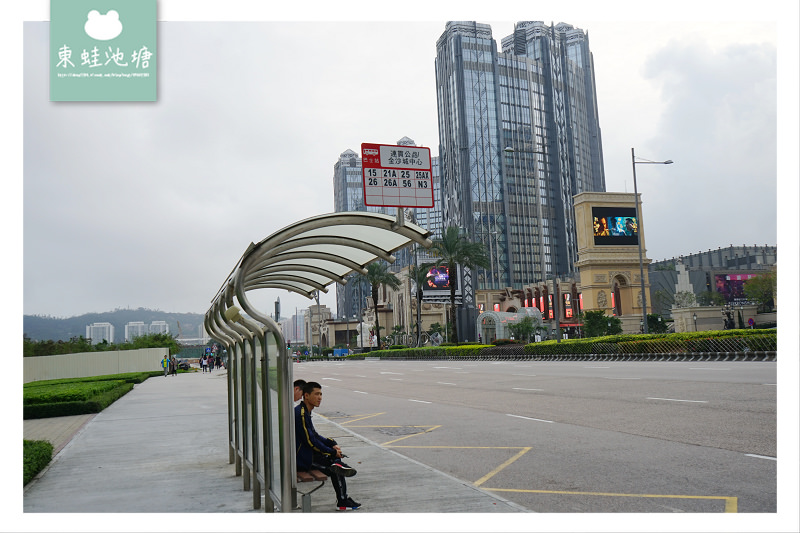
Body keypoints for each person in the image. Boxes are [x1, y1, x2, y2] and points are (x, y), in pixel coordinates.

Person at [295, 381, 360, 511]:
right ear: (306, 396)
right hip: (301, 460)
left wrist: (332, 443)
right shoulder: (301, 413)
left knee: (336, 463)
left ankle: (343, 500)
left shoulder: (305, 411)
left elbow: (315, 435)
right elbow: (311, 441)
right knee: (335, 467)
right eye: (316, 394)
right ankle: (342, 501)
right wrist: (331, 451)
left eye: (321, 394)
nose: (320, 398)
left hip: (307, 456)